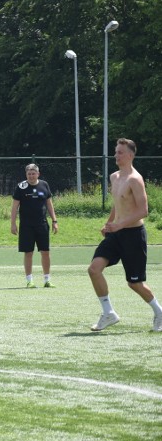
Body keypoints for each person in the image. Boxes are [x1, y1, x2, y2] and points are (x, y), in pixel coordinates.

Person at [87, 138, 162, 332]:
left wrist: (119, 224)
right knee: (94, 269)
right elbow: (117, 203)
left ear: (130, 155)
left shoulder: (135, 179)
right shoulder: (114, 177)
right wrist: (109, 223)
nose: (116, 155)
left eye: (120, 152)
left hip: (133, 235)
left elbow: (143, 210)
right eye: (115, 151)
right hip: (115, 234)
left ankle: (159, 312)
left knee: (134, 283)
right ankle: (109, 313)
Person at [10, 163, 57, 288]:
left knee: (45, 251)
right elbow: (15, 207)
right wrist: (13, 224)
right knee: (28, 252)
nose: (31, 176)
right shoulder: (21, 187)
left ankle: (47, 280)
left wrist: (54, 221)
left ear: (38, 174)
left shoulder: (44, 185)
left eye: (33, 173)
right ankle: (29, 280)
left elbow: (49, 204)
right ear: (26, 174)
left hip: (42, 224)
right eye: (29, 174)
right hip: (26, 226)